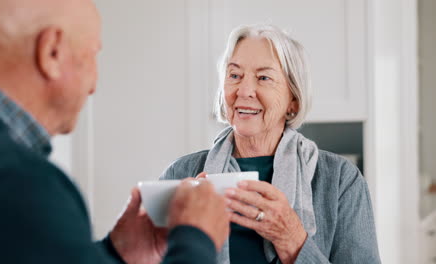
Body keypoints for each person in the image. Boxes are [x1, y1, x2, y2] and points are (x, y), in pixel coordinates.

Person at [0, 0, 230, 263]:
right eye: (92, 55)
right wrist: (196, 238)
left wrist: (115, 252)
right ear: (52, 52)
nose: (94, 84)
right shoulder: (18, 183)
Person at [160, 24, 381, 264]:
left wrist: (291, 238)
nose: (244, 91)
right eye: (234, 75)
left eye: (263, 78)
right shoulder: (180, 174)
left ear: (293, 101)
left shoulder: (340, 181)